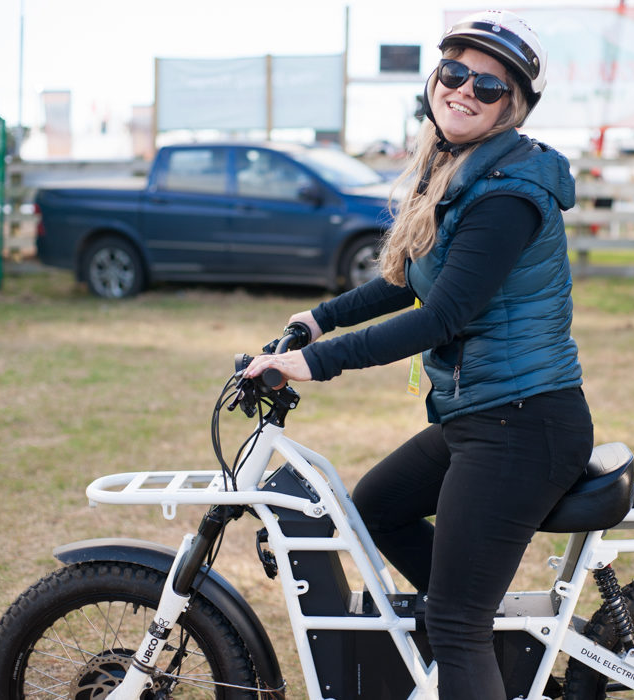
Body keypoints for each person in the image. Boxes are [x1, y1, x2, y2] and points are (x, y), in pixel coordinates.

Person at [243, 10, 593, 699]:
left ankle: (471, 642)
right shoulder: (460, 168)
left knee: (456, 623)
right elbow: (409, 279)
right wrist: (318, 320)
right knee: (377, 509)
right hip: (483, 417)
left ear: (513, 106)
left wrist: (317, 362)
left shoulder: (507, 195)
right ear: (435, 78)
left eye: (488, 86)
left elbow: (443, 315)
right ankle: (490, 651)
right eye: (455, 72)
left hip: (524, 425)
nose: (464, 90)